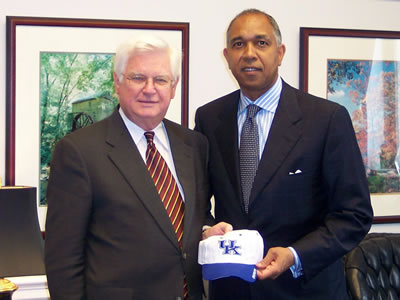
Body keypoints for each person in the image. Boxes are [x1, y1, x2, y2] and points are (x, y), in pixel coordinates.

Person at [195, 9, 373, 300]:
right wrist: (206, 227)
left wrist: (294, 254)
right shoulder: (209, 118)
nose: (249, 53)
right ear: (226, 56)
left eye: (261, 43)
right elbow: (198, 200)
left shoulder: (326, 119)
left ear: (280, 53)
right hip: (231, 289)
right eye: (238, 44)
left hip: (304, 289)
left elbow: (354, 215)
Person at [45, 34, 211, 300]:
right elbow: (63, 258)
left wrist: (207, 230)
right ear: (117, 82)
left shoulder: (194, 145)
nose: (149, 88)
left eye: (160, 79)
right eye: (137, 78)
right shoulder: (79, 151)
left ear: (174, 86)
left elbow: (195, 218)